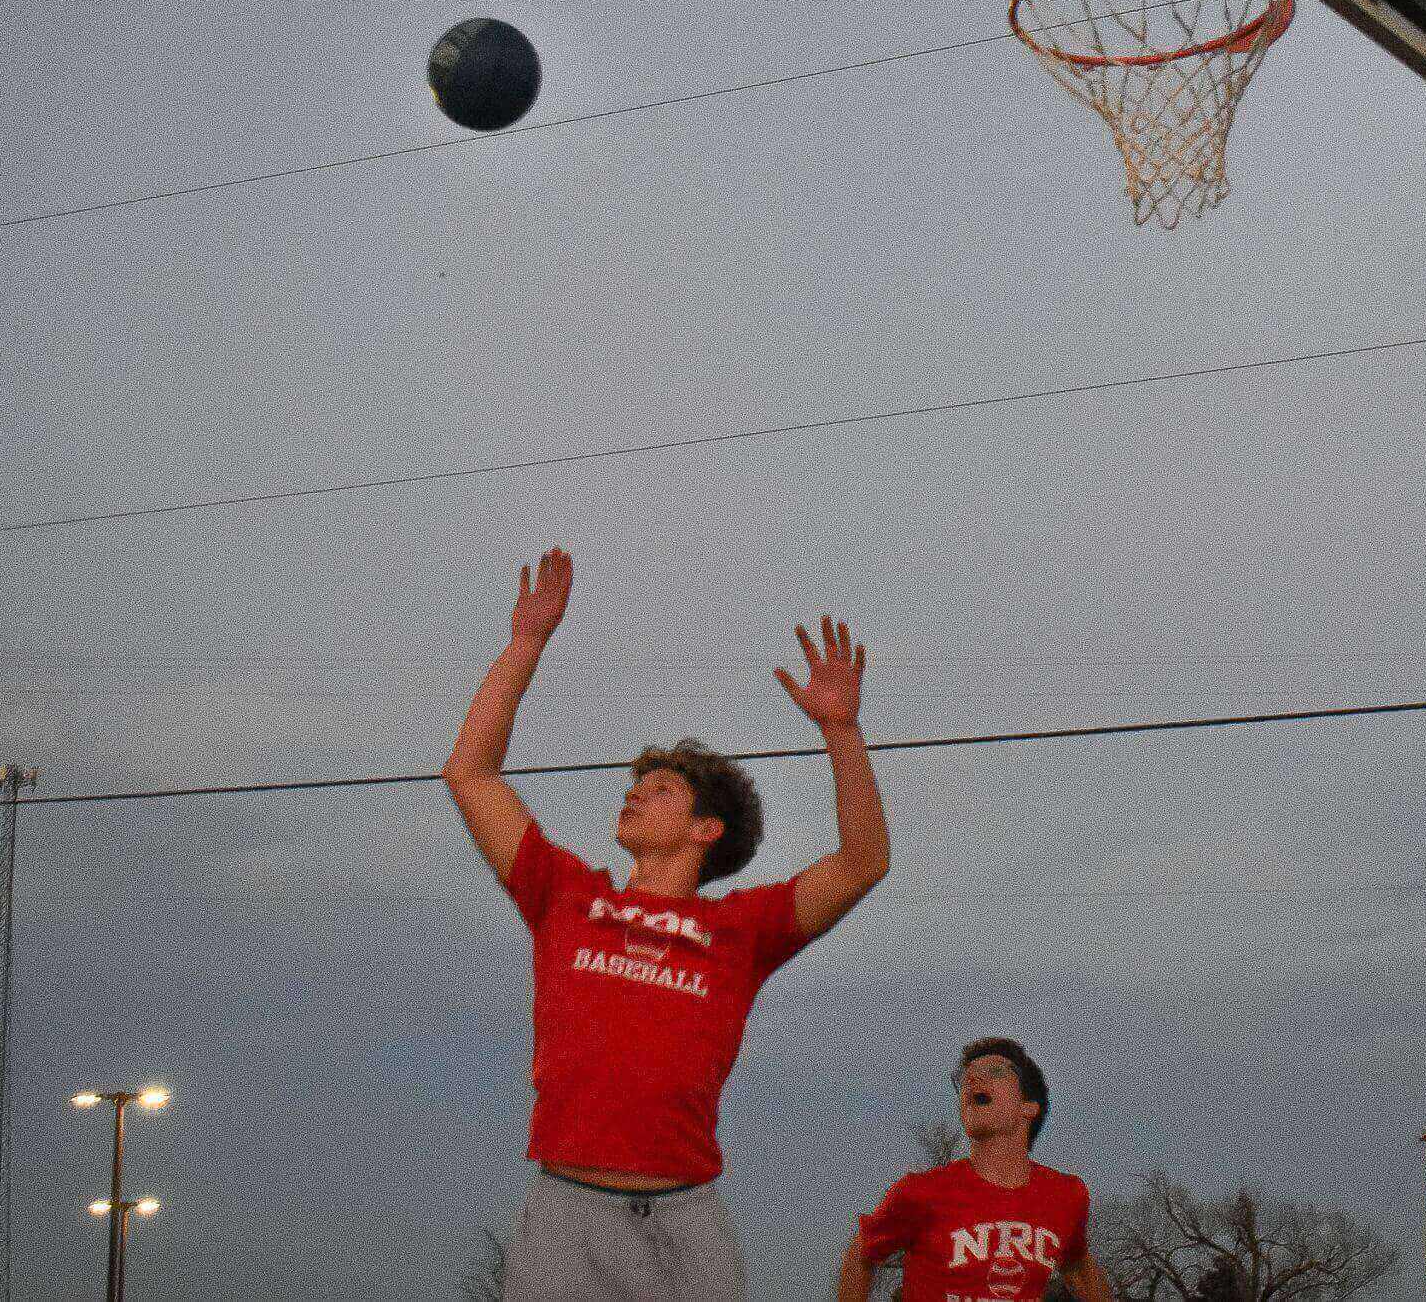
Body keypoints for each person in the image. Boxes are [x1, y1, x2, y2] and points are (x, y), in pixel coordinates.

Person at [443, 546, 891, 1302]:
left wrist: (842, 731)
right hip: (564, 1213)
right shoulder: (565, 895)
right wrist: (525, 645)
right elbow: (471, 773)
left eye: (659, 788)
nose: (635, 795)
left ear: (706, 829)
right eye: (635, 786)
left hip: (685, 1220)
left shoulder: (742, 930)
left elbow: (861, 862)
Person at [837, 1036, 1112, 1302]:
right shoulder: (920, 1192)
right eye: (965, 1076)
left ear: (1029, 1106)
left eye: (994, 1071)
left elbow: (1078, 1267)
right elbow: (862, 1253)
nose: (972, 1079)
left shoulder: (1065, 1196)